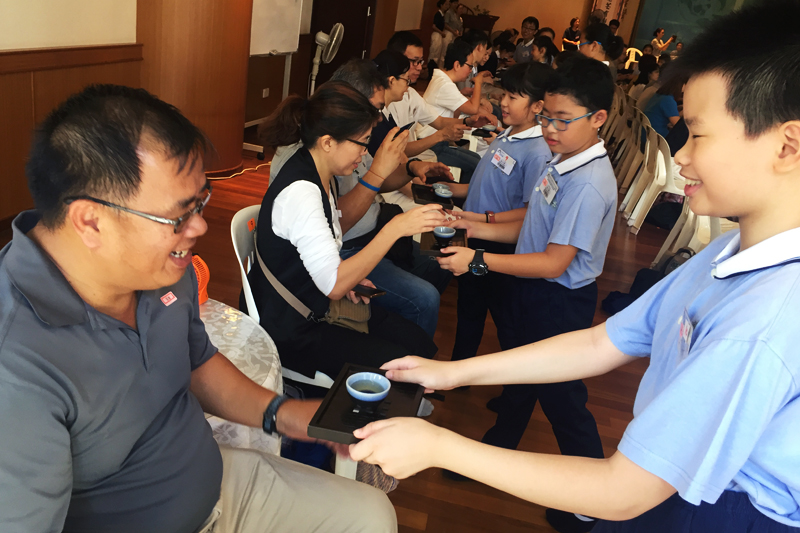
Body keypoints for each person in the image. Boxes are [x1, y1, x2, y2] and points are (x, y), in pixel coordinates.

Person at [350, 3, 800, 533]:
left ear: (787, 146)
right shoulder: (722, 258)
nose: (679, 158)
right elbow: (599, 343)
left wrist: (441, 447)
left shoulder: (766, 319)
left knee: (567, 411)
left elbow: (623, 490)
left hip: (714, 513)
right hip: (668, 487)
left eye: (697, 135)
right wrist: (450, 372)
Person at [0, 84, 398, 533]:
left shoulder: (164, 274)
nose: (201, 226)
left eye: (201, 201)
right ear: (91, 221)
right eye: (179, 215)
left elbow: (196, 359)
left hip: (215, 484)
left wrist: (284, 414)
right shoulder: (18, 363)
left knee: (372, 515)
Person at [434, 55, 617, 532]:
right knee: (521, 375)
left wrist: (477, 259)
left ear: (597, 118)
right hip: (534, 290)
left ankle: (596, 504)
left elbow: (555, 261)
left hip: (557, 299)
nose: (550, 129)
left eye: (562, 120)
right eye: (546, 117)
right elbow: (530, 217)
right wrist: (473, 221)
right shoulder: (563, 160)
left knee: (562, 399)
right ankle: (497, 448)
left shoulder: (589, 183)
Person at [255, 81, 441, 381]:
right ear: (328, 142)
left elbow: (323, 249)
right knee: (406, 364)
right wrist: (394, 228)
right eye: (362, 142)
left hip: (313, 302)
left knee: (413, 341)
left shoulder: (319, 172)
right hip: (294, 326)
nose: (364, 153)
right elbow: (334, 285)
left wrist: (353, 276)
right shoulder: (302, 191)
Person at [447, 62, 554, 370]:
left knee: (504, 318)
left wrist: (484, 221)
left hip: (498, 243)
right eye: (505, 94)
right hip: (476, 230)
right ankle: (458, 370)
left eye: (514, 97)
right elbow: (487, 183)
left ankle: (514, 389)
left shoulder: (536, 151)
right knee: (469, 307)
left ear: (537, 106)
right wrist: (453, 189)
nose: (504, 102)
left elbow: (528, 212)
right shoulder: (509, 134)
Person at [385, 31, 494, 186]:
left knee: (468, 167)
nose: (419, 67)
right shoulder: (384, 103)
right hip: (399, 169)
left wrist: (468, 121)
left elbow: (439, 121)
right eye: (414, 61)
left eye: (420, 61)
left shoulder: (411, 94)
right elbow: (397, 153)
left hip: (411, 160)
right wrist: (441, 136)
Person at [422, 40, 494, 131]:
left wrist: (461, 94)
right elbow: (473, 109)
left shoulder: (443, 80)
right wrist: (478, 82)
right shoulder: (445, 85)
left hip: (438, 135)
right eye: (470, 66)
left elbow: (454, 116)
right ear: (457, 65)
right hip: (432, 139)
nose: (470, 70)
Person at [643, 71, 683, 138]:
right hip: (657, 139)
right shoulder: (668, 100)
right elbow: (678, 126)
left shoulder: (659, 95)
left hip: (646, 135)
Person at [428, 0, 454, 73]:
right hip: (437, 34)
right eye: (445, 5)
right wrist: (441, 32)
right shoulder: (438, 14)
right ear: (441, 5)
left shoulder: (443, 15)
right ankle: (431, 69)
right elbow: (434, 26)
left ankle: (436, 68)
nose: (447, 6)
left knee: (439, 52)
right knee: (434, 51)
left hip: (439, 34)